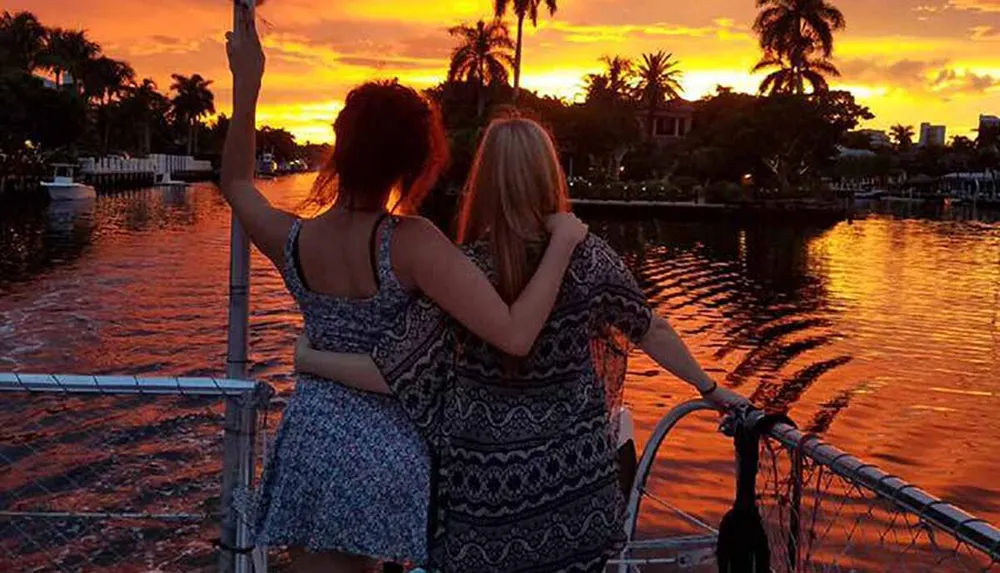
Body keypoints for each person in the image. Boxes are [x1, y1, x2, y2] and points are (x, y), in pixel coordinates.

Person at [295, 116, 750, 573]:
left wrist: (312, 359)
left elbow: (392, 373)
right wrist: (709, 388)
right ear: (548, 174)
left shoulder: (463, 271)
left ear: (485, 182)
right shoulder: (586, 258)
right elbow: (650, 329)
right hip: (575, 487)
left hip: (483, 499)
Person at [222, 9, 588, 573]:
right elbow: (515, 335)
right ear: (414, 162)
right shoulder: (412, 245)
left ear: (339, 149)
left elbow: (237, 183)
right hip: (386, 449)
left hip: (312, 439)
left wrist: (248, 83)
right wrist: (562, 243)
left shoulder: (294, 241)